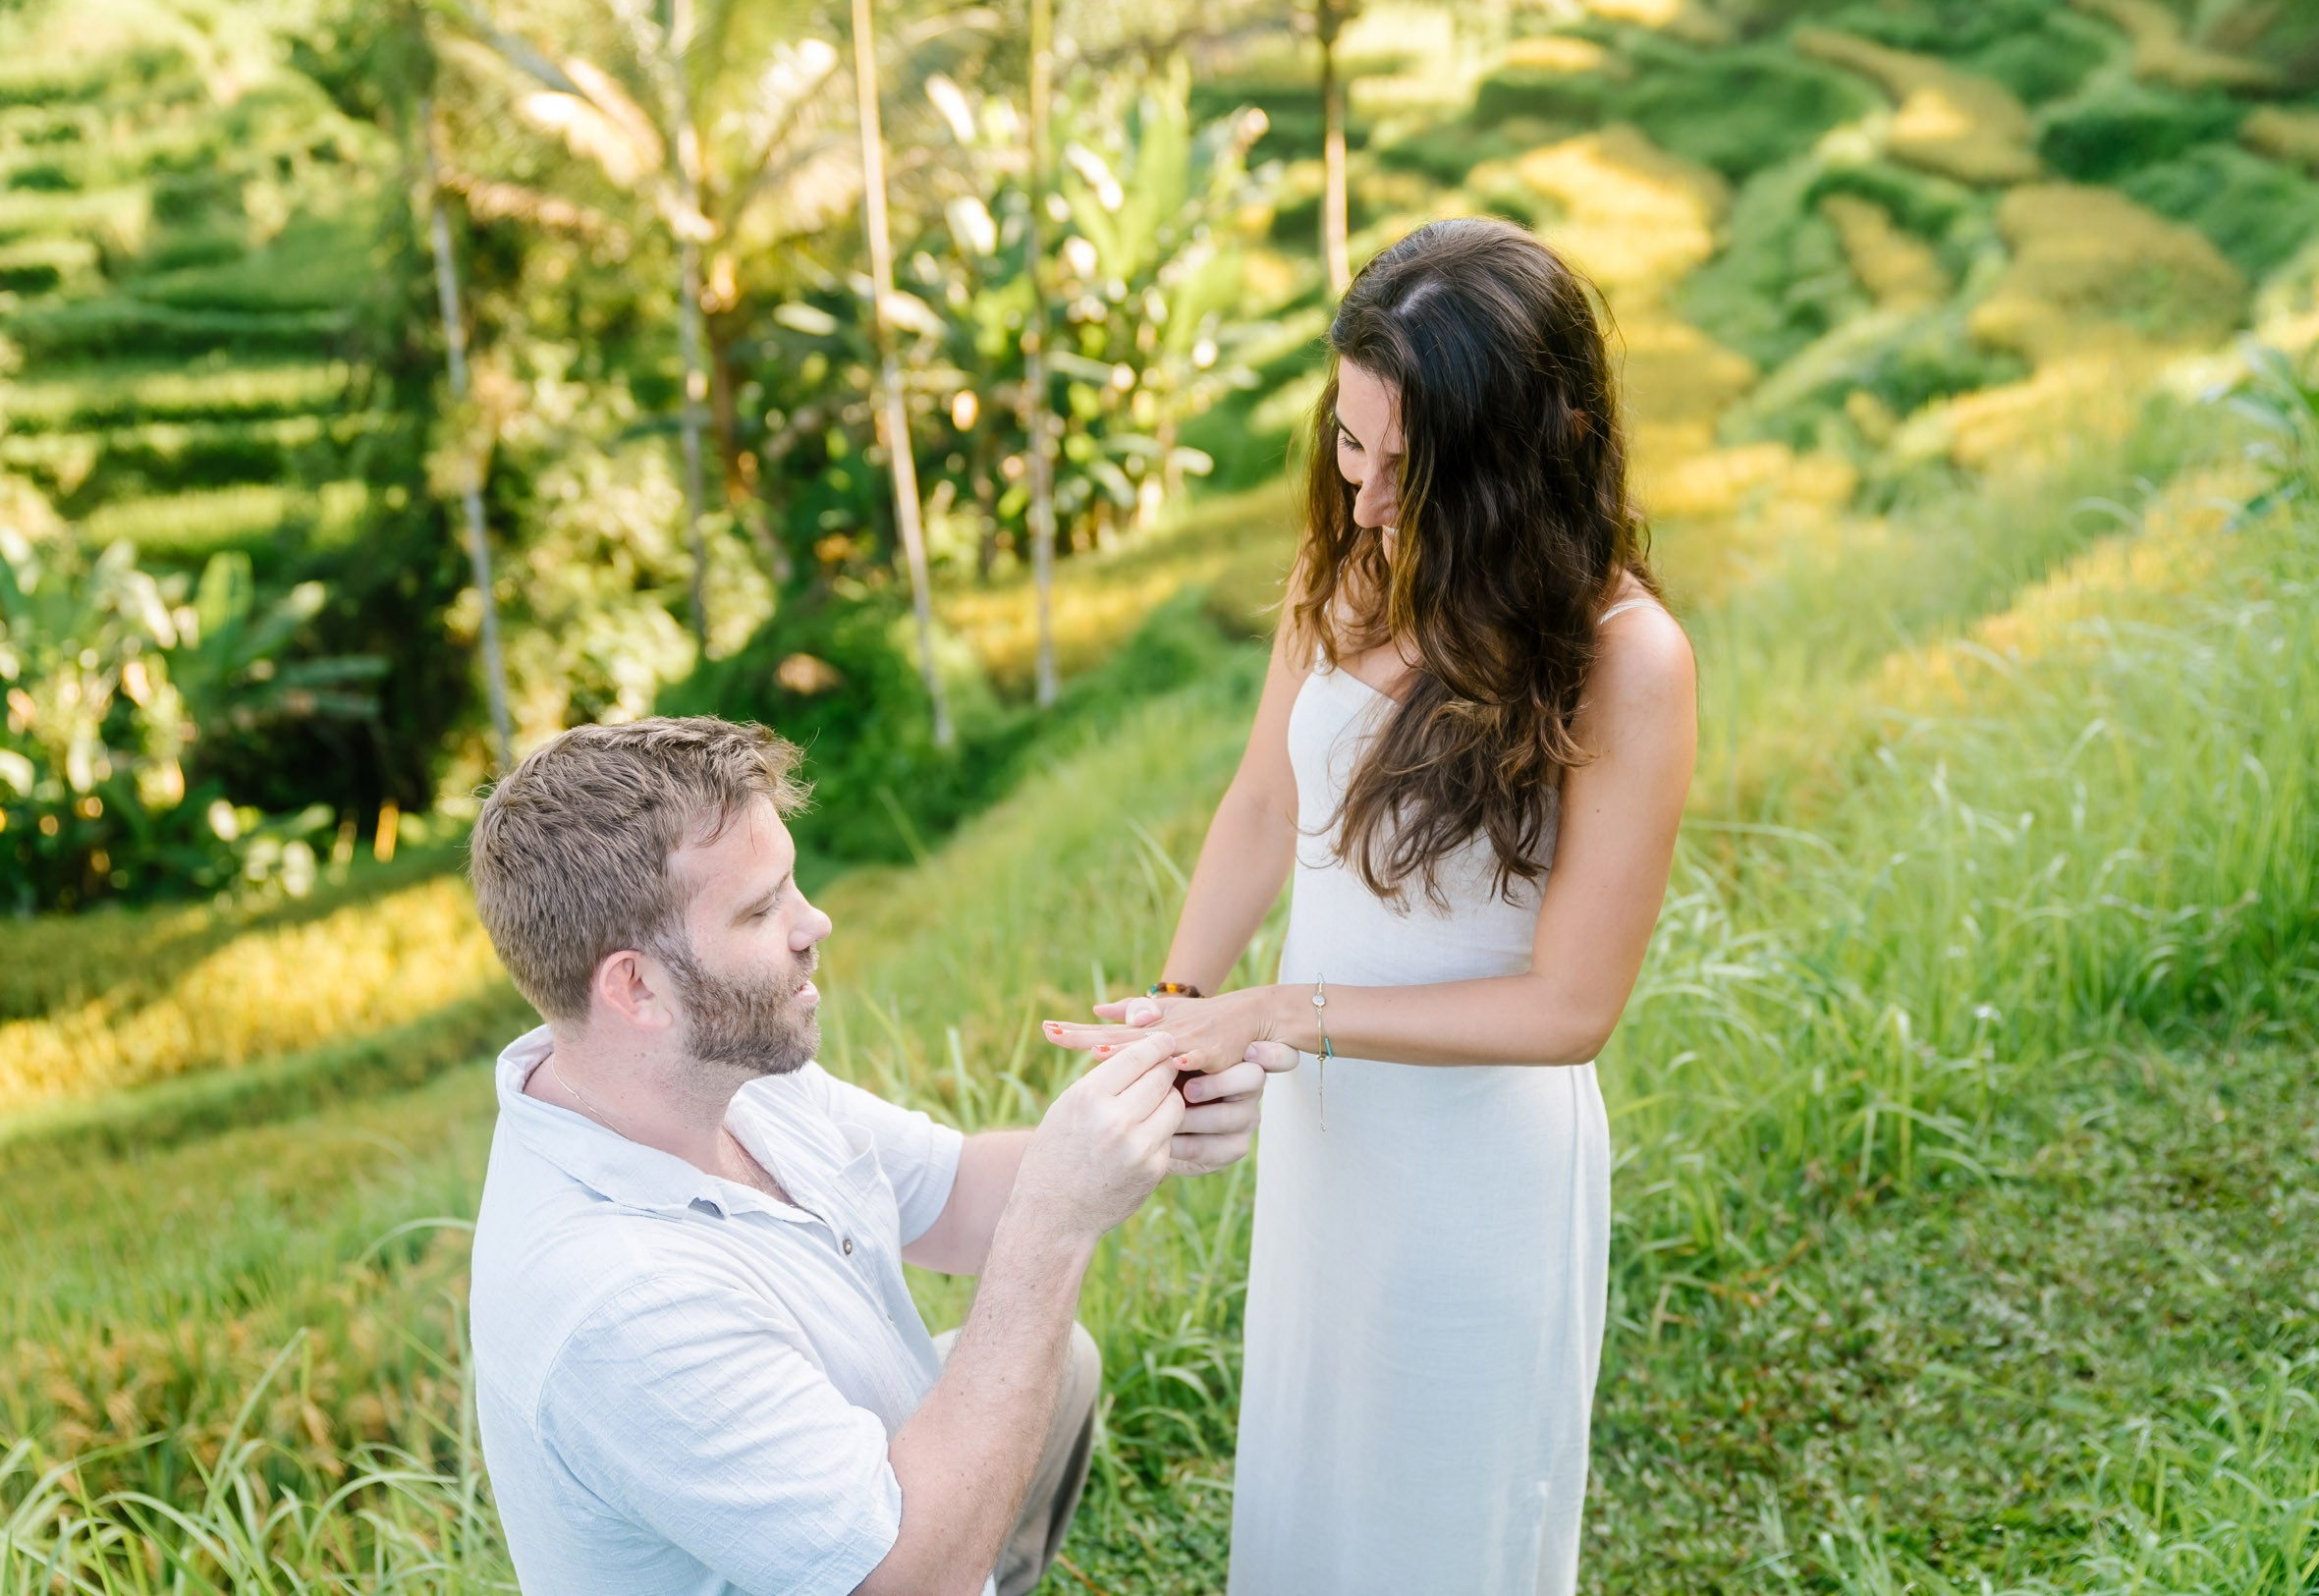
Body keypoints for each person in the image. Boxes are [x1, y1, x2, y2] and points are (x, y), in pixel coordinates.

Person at [1044, 217, 1697, 1594]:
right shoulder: (1348, 568)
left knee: (1441, 1525)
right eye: (1350, 442)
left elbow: (1571, 1007)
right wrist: (1178, 1008)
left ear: (1533, 451)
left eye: (1410, 466)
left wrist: (1280, 1009)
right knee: (1313, 1502)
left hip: (1476, 1170)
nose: (1368, 494)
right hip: (1331, 1135)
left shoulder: (1626, 659)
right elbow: (1266, 808)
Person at [464, 716, 1284, 1596]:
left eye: (791, 881)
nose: (814, 920)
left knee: (1061, 1363)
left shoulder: (709, 1069)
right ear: (636, 987)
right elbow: (907, 1582)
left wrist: (1148, 1115)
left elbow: (961, 1195)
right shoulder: (615, 1304)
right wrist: (1056, 1218)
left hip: (886, 1538)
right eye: (759, 907)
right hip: (899, 1577)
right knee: (998, 1413)